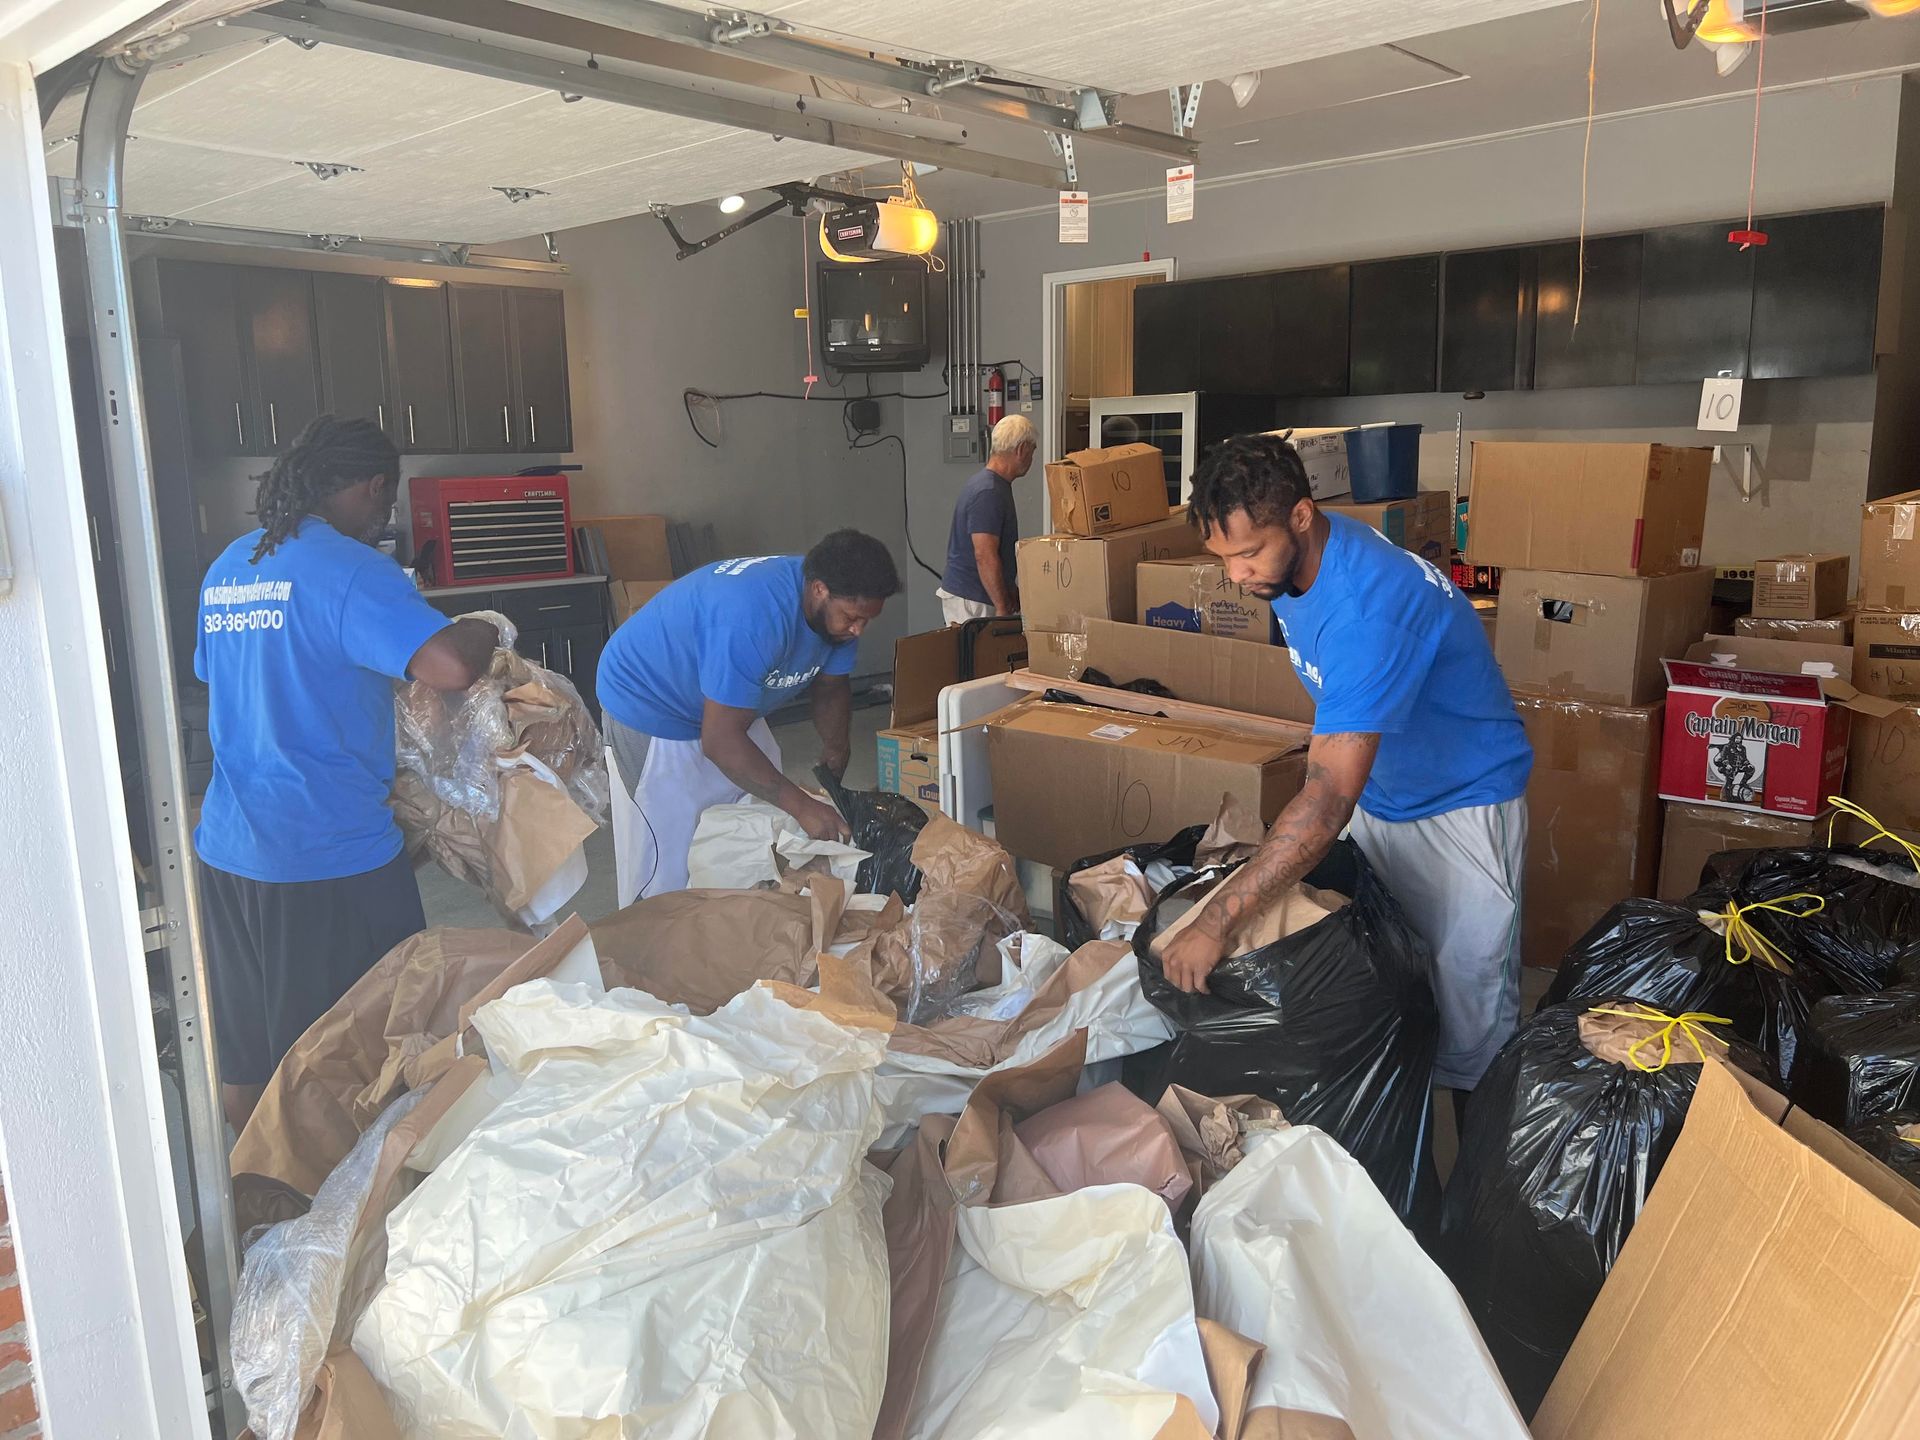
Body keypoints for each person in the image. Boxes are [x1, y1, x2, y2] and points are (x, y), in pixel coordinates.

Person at [1157, 432, 1533, 1106]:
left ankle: (1479, 1196)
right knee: (1394, 986)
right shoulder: (1298, 562)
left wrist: (1216, 924)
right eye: (1223, 558)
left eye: (1247, 554)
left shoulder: (1367, 610)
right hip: (1384, 799)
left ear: (1301, 515)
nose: (1237, 576)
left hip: (1462, 809)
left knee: (1475, 1030)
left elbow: (1326, 796)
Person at [194, 415, 498, 1132]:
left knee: (248, 1052)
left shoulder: (232, 566)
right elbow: (449, 666)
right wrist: (487, 624)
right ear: (370, 487)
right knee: (366, 1048)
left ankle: (256, 1197)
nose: (384, 517)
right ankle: (349, 1213)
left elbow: (236, 678)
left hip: (231, 849)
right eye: (384, 501)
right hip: (325, 856)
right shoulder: (353, 570)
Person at [596, 529, 901, 904]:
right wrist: (803, 805)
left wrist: (836, 750)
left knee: (752, 828)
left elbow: (830, 687)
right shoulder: (752, 616)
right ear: (819, 589)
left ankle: (732, 929)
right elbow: (721, 741)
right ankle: (652, 948)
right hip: (652, 704)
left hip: (730, 702)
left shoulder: (832, 616)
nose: (858, 630)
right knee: (666, 858)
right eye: (852, 618)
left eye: (866, 621)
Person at [937, 412, 1036, 623]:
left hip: (977, 595)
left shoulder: (991, 485)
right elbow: (984, 554)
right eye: (1032, 451)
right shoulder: (988, 492)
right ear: (1021, 450)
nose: (1032, 459)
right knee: (978, 656)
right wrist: (1001, 607)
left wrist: (1010, 591)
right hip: (974, 601)